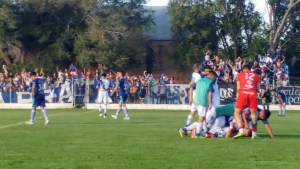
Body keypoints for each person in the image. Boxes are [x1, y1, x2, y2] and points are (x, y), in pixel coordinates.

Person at [233, 64, 260, 139]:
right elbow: (258, 89)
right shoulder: (256, 76)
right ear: (250, 69)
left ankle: (241, 130)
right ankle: (254, 134)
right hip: (252, 94)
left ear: (243, 69)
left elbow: (238, 88)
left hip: (243, 93)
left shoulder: (240, 75)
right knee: (253, 114)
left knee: (237, 113)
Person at [192, 71, 216, 138]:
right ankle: (197, 134)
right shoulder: (210, 82)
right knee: (201, 117)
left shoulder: (199, 80)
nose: (214, 79)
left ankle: (205, 132)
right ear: (212, 76)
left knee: (203, 117)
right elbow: (210, 93)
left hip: (196, 100)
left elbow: (193, 87)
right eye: (214, 77)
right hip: (202, 101)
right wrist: (210, 102)